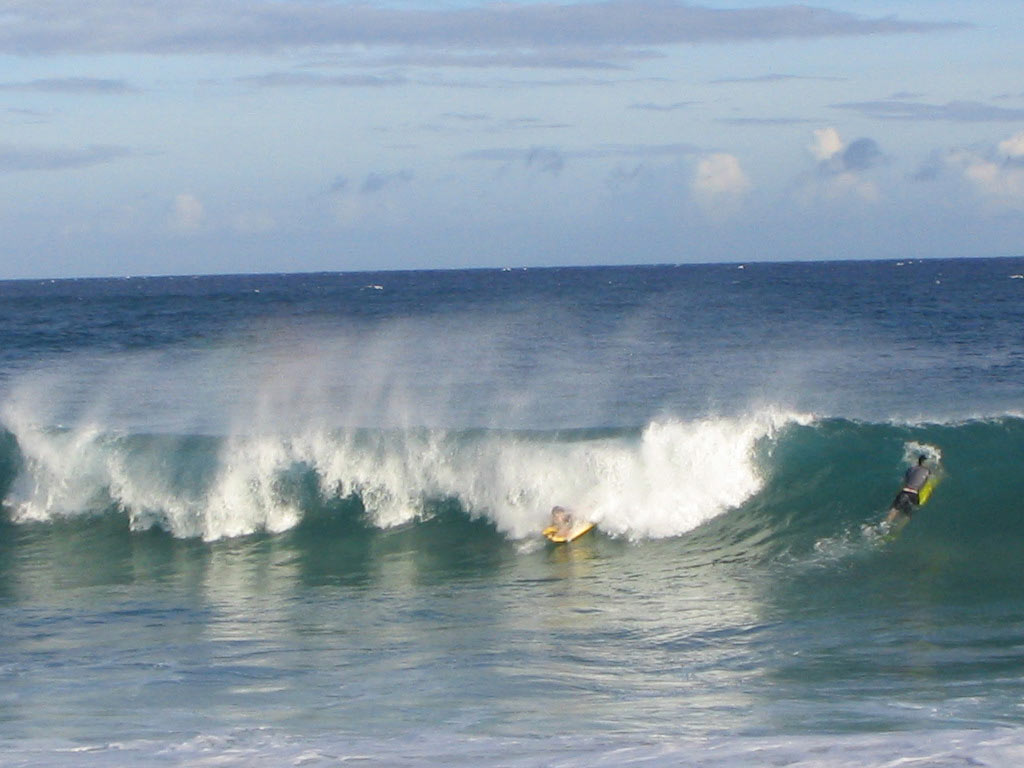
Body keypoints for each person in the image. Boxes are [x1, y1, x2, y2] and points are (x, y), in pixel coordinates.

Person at [886, 454, 931, 525]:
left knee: (894, 510)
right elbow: (923, 484)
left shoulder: (910, 469)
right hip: (914, 495)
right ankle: (898, 527)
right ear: (925, 463)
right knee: (907, 515)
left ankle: (885, 524)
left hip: (904, 492)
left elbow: (905, 482)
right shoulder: (927, 471)